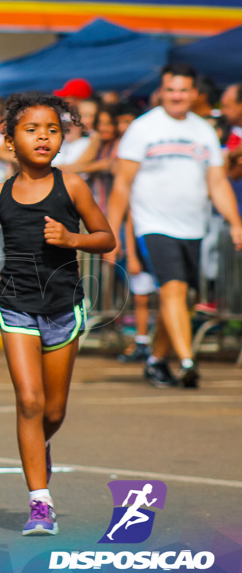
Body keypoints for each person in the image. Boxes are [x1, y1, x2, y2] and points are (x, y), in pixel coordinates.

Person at [0, 93, 115, 536]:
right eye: (32, 129)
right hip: (15, 304)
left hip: (62, 307)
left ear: (62, 139)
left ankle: (40, 445)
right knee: (29, 401)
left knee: (53, 409)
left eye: (52, 130)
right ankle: (40, 502)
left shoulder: (71, 187)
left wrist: (73, 239)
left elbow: (105, 237)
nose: (43, 137)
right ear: (11, 141)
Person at [107, 63, 242, 389]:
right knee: (173, 290)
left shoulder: (204, 131)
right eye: (170, 90)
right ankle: (186, 360)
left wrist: (236, 222)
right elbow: (122, 185)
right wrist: (110, 235)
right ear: (161, 92)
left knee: (183, 299)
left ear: (193, 94)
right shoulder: (143, 128)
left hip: (193, 227)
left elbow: (218, 183)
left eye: (183, 90)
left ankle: (156, 360)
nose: (176, 96)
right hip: (153, 224)